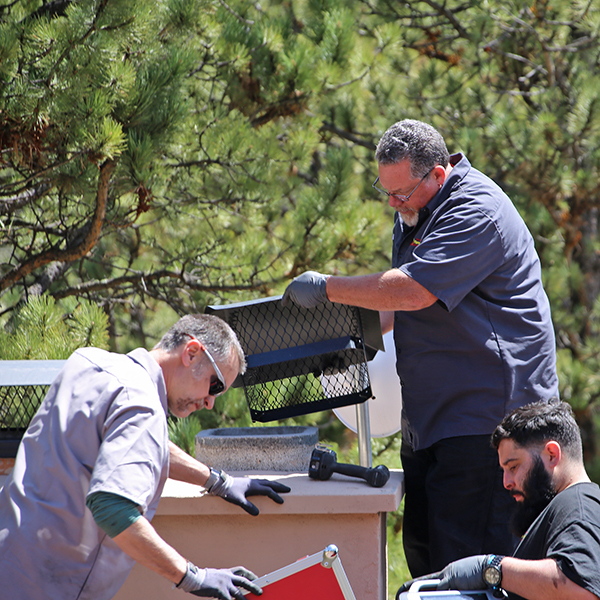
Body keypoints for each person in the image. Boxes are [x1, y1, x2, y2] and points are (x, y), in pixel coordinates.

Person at [282, 119, 559, 576]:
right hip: (432, 422)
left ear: (438, 174)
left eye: (401, 193)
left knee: (471, 572)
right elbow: (400, 306)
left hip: (489, 424)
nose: (392, 203)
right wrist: (345, 342)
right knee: (428, 564)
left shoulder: (477, 211)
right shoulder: (416, 209)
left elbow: (413, 291)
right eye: (385, 190)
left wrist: (328, 287)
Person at [0, 314, 290, 600]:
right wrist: (192, 576)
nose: (210, 403)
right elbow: (112, 508)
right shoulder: (142, 404)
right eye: (215, 385)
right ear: (191, 352)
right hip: (44, 586)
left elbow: (139, 445)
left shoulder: (89, 362)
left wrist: (217, 481)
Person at [397, 398, 600, 600]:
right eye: (503, 470)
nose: (506, 482)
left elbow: (579, 589)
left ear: (552, 455)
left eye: (513, 467)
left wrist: (492, 569)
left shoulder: (577, 505)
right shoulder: (570, 505)